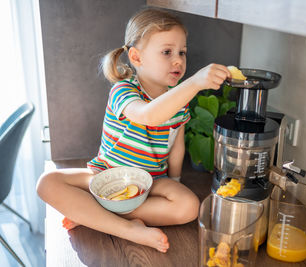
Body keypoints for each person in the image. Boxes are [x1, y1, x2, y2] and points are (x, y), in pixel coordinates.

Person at [36, 8, 231, 253]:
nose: (178, 60)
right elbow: (148, 116)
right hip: (108, 175)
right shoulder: (123, 91)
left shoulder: (178, 102)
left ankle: (93, 214)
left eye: (182, 52)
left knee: (189, 207)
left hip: (152, 180)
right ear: (137, 58)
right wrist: (195, 82)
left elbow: (176, 146)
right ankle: (128, 228)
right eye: (167, 52)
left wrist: (174, 181)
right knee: (47, 183)